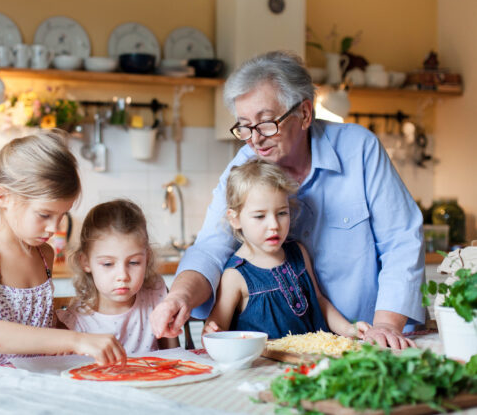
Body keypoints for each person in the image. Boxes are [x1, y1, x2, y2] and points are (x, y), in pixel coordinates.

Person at [151, 51, 425, 349]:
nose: (255, 139)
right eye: (244, 125)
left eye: (267, 123)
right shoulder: (245, 166)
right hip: (289, 352)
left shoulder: (359, 148)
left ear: (305, 113)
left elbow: (402, 240)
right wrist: (179, 296)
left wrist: (385, 325)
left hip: (371, 338)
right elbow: (210, 247)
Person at [0, 131, 126, 369]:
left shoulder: (44, 253)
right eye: (44, 215)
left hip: (29, 378)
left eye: (62, 215)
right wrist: (77, 340)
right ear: (3, 196)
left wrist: (95, 333)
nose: (55, 227)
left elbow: (42, 325)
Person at [202, 158, 377, 342]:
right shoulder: (235, 275)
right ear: (235, 219)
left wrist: (348, 329)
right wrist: (212, 331)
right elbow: (218, 327)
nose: (274, 225)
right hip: (265, 368)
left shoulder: (298, 252)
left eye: (282, 213)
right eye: (260, 216)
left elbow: (319, 301)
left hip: (312, 362)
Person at [58, 199, 179, 353]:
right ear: (85, 262)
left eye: (134, 262)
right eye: (108, 264)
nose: (122, 276)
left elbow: (175, 356)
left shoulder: (157, 294)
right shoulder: (76, 323)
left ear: (147, 257)